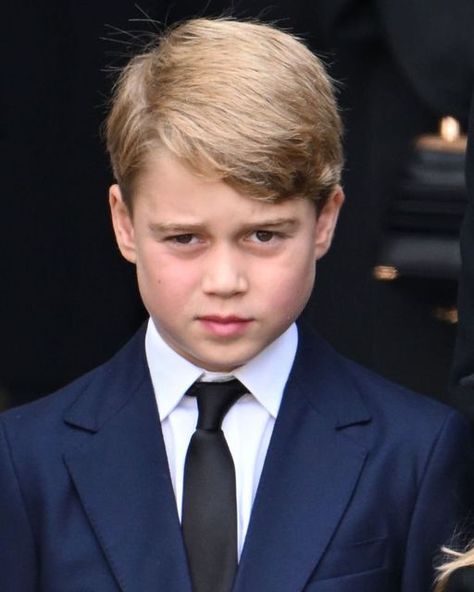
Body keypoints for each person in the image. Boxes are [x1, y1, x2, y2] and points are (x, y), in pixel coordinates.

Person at [0, 17, 472, 592]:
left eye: (264, 236)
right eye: (184, 238)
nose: (225, 280)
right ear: (124, 224)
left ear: (325, 221)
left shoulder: (417, 451)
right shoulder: (25, 458)